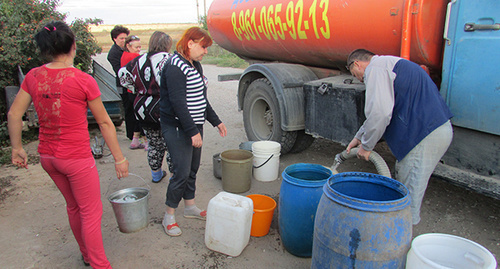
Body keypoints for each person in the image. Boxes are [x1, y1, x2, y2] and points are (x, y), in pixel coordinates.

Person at [8, 21, 128, 268]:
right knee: (91, 213)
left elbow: (13, 114)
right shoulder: (82, 79)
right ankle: (99, 264)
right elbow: (105, 123)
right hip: (76, 159)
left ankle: (86, 255)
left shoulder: (33, 76)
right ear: (73, 45)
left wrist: (17, 148)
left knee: (74, 207)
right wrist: (119, 158)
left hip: (48, 158)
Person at [345, 49, 453, 225]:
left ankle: (401, 246)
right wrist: (359, 137)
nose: (358, 79)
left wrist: (367, 146)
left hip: (423, 136)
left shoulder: (375, 69)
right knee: (405, 186)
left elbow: (380, 113)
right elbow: (381, 111)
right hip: (431, 131)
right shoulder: (389, 64)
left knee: (406, 199)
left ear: (356, 64)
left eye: (353, 74)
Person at [159, 27, 227, 237]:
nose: (206, 51)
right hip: (178, 127)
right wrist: (192, 132)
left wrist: (216, 121)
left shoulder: (194, 64)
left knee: (192, 169)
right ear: (190, 43)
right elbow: (178, 103)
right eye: (203, 46)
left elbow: (200, 99)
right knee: (180, 172)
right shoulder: (174, 66)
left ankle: (190, 207)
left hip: (193, 126)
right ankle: (169, 216)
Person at [119, 31, 172, 183]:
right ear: (167, 45)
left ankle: (156, 175)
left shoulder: (138, 60)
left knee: (154, 144)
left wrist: (137, 88)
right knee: (172, 146)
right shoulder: (170, 60)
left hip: (144, 110)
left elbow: (122, 75)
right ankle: (175, 179)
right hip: (166, 110)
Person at [107, 25, 141, 146]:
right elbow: (120, 71)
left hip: (127, 83)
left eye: (125, 38)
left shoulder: (123, 51)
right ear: (115, 39)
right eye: (121, 38)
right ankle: (131, 133)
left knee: (131, 108)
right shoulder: (114, 53)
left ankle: (134, 134)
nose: (124, 40)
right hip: (123, 84)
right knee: (128, 108)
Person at [120, 35, 146, 149]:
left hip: (130, 90)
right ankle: (146, 141)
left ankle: (135, 140)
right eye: (136, 47)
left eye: (140, 47)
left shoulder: (124, 56)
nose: (139, 49)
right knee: (141, 116)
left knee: (136, 115)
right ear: (128, 46)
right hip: (137, 91)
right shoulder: (135, 57)